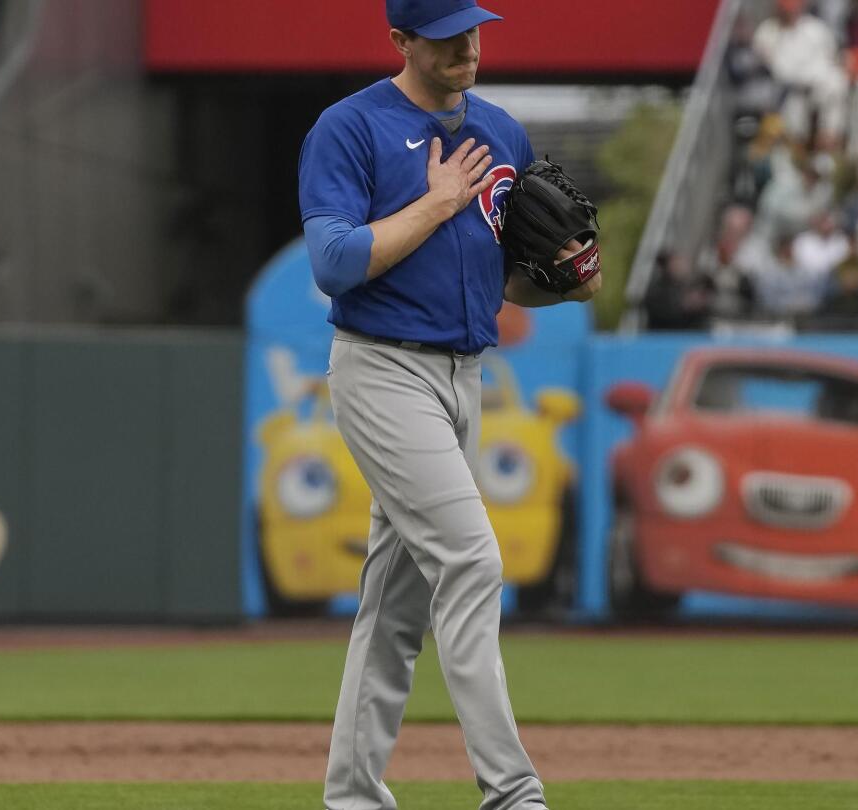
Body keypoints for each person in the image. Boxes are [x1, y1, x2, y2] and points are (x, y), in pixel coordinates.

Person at [297, 2, 599, 809]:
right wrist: (435, 203)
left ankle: (353, 796)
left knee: (394, 606)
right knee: (472, 562)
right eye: (445, 34)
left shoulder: (501, 131)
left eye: (474, 27)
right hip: (383, 371)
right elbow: (333, 263)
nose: (467, 44)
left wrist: (565, 284)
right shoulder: (349, 127)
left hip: (464, 374)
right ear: (401, 40)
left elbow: (507, 282)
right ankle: (513, 792)